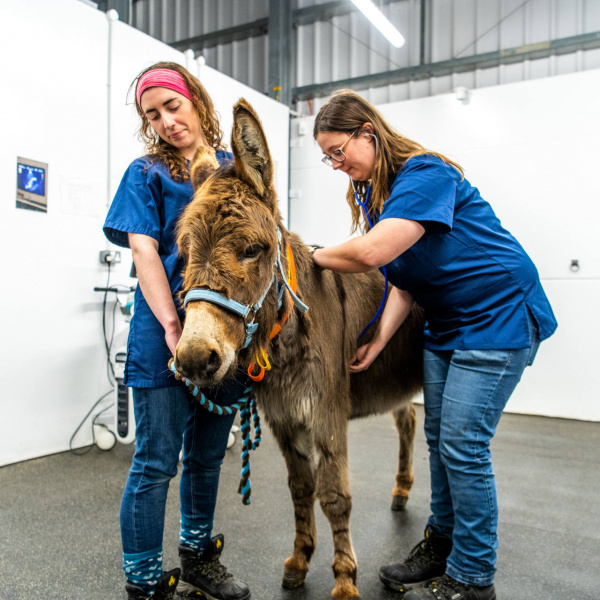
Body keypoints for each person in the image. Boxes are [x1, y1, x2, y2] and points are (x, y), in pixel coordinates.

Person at [311, 90, 557, 600]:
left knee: (463, 447)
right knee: (441, 442)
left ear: (368, 134)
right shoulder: (372, 193)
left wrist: (305, 255)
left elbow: (374, 251)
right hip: (445, 320)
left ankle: (472, 576)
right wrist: (378, 339)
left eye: (339, 151)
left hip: (499, 312)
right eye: (327, 157)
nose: (335, 164)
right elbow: (404, 276)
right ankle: (441, 545)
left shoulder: (426, 174)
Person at [103, 62, 250, 600]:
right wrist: (171, 323)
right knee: (156, 461)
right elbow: (144, 249)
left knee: (208, 456)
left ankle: (197, 558)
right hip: (162, 334)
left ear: (195, 99)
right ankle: (143, 582)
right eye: (152, 114)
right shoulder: (146, 174)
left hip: (225, 336)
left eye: (172, 105)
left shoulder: (235, 168)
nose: (166, 121)